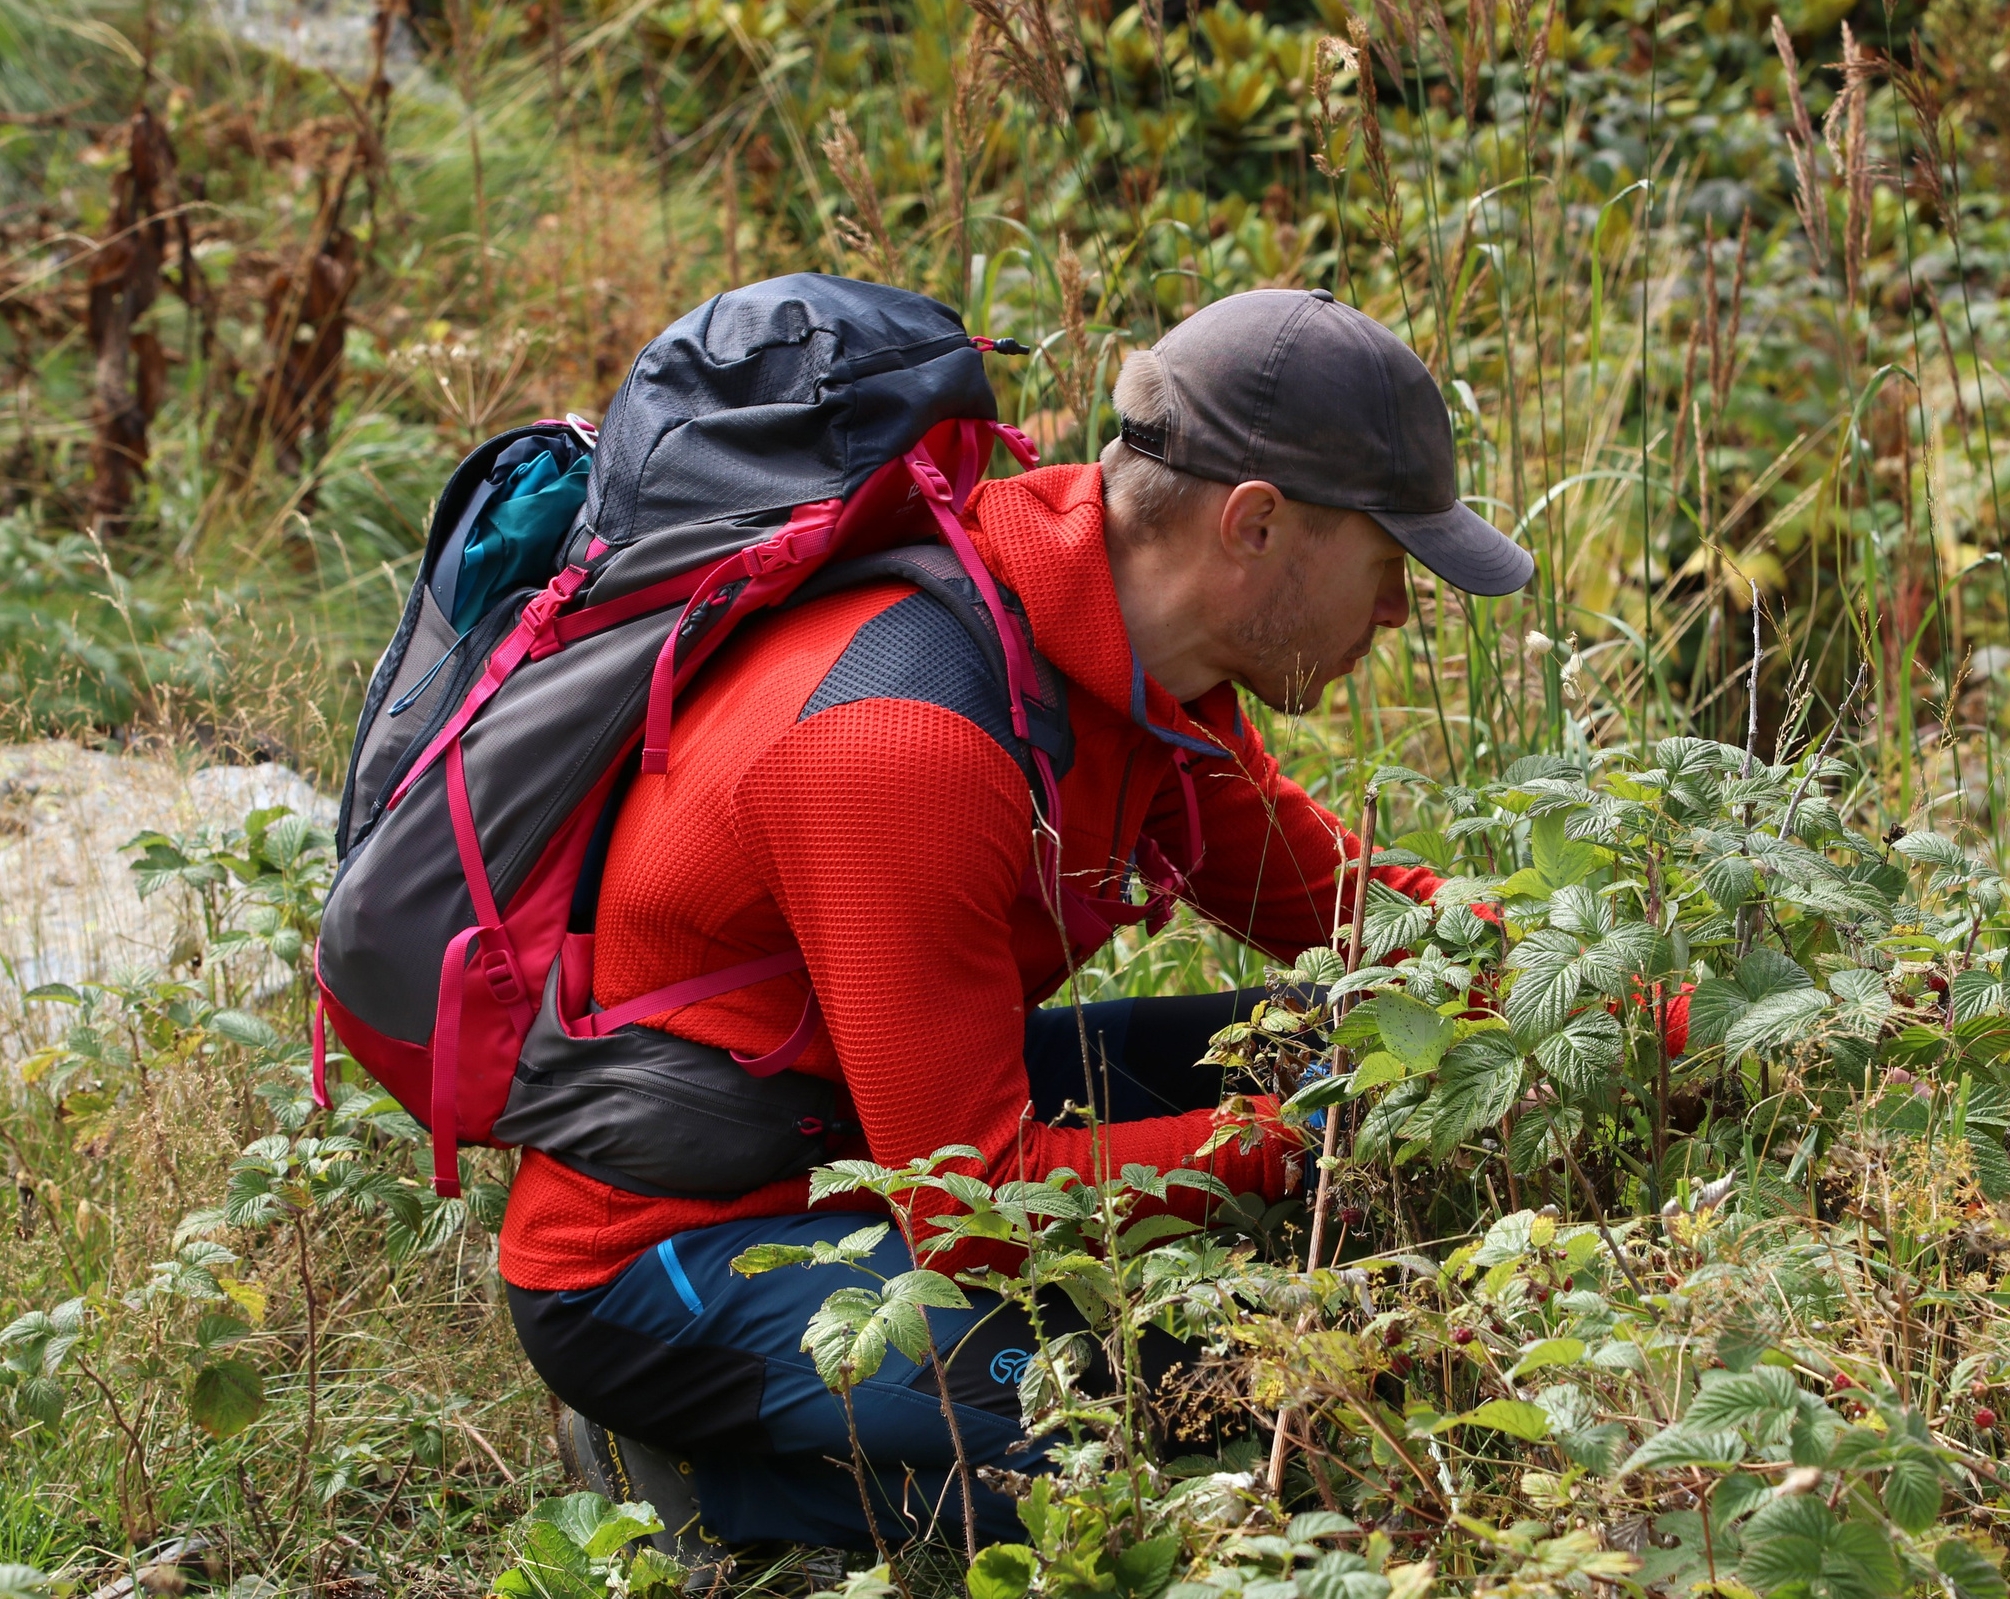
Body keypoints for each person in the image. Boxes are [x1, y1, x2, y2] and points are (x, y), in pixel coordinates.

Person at [510, 286, 1534, 1560]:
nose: (1397, 613)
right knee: (1146, 1423)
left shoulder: (1141, 675)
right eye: (1389, 565)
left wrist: (1579, 1002)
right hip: (672, 1254)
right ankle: (689, 1475)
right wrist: (1296, 1144)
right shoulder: (905, 742)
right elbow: (975, 1205)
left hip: (869, 1139)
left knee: (1337, 1034)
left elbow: (1355, 914)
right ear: (1256, 525)